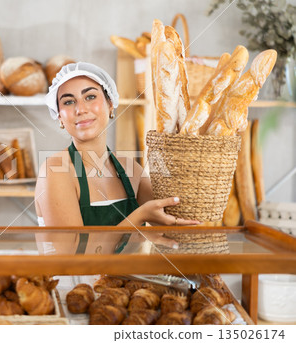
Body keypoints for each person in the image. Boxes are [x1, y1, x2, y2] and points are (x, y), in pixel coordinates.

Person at [35, 62, 199, 255]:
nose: (80, 109)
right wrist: (139, 217)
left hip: (123, 284)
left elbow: (174, 222)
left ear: (110, 104)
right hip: (72, 285)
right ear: (60, 117)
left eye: (90, 96)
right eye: (69, 102)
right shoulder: (55, 170)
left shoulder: (130, 169)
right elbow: (71, 254)